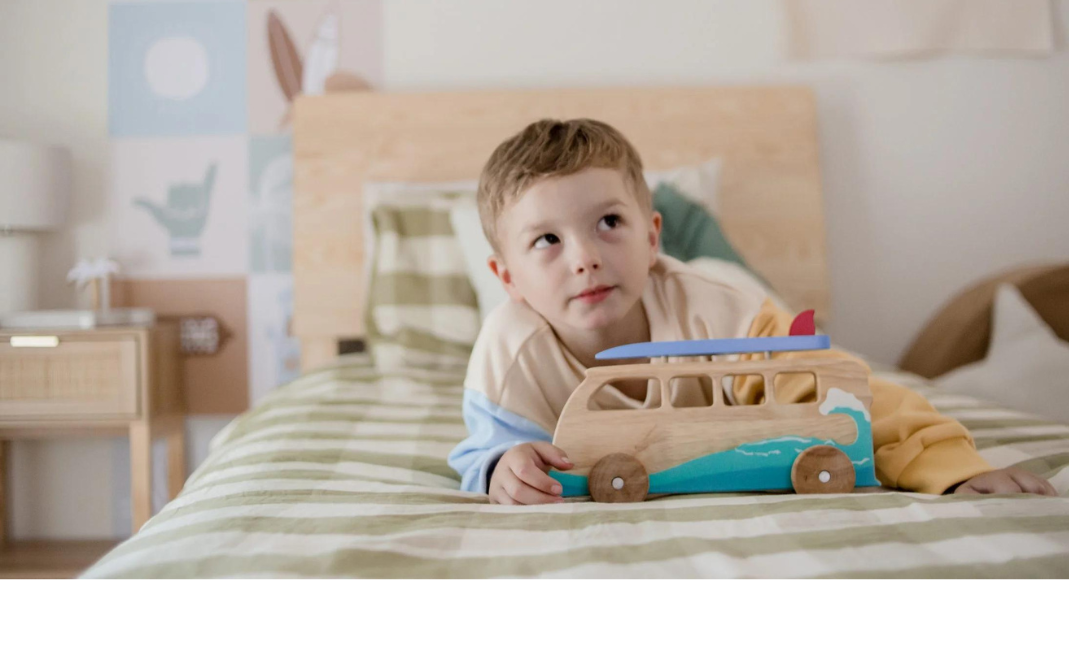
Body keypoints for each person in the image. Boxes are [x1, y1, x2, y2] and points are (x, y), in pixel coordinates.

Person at [448, 118, 1057, 505]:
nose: (584, 257)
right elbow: (488, 450)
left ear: (653, 236)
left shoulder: (722, 312)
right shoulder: (509, 352)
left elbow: (847, 397)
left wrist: (948, 466)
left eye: (609, 222)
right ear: (507, 279)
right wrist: (504, 464)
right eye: (546, 241)